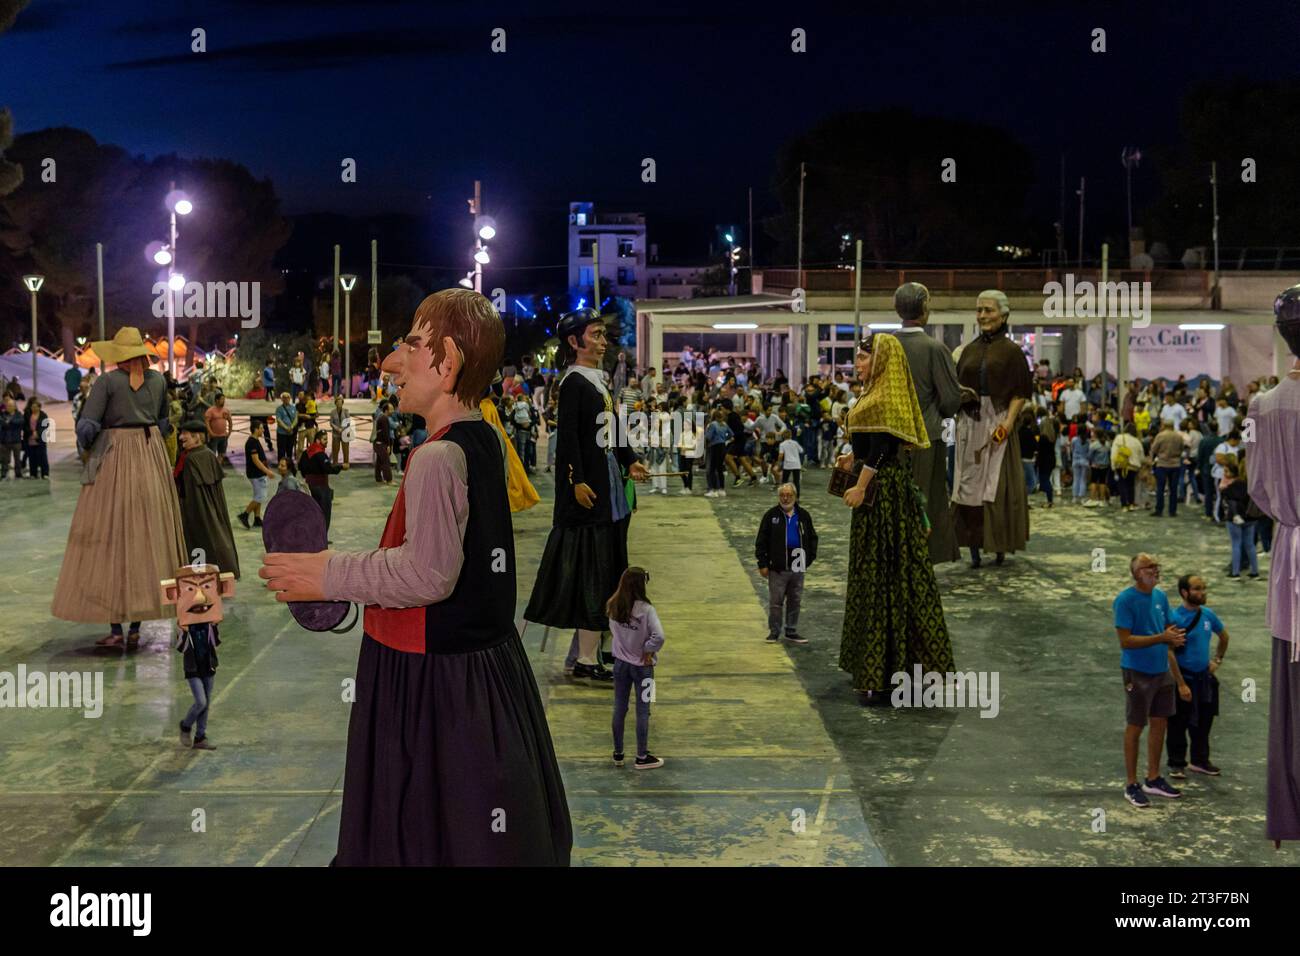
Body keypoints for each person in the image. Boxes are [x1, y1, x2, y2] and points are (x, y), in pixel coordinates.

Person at [260, 288, 572, 866]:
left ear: (447, 362)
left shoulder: (433, 458)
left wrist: (329, 574)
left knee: (416, 830)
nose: (389, 361)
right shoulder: (484, 436)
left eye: (410, 344)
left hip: (429, 682)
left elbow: (427, 574)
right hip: (487, 672)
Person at [523, 308, 649, 684]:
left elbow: (613, 427)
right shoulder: (575, 383)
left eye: (602, 334)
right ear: (574, 342)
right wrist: (575, 481)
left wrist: (632, 461)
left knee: (609, 569)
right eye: (595, 335)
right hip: (589, 495)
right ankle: (587, 659)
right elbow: (571, 442)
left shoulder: (597, 380)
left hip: (607, 489)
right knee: (593, 576)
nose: (602, 341)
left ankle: (600, 650)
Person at [52, 327, 187, 648]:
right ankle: (138, 626)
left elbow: (88, 424)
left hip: (115, 457)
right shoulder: (157, 381)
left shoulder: (108, 382)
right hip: (149, 454)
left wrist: (87, 443)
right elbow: (165, 421)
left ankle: (116, 629)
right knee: (147, 536)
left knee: (110, 536)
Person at [838, 333, 954, 705]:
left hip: (882, 496)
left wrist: (861, 483)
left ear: (882, 360)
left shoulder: (886, 396)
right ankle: (884, 668)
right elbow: (870, 445)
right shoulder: (874, 393)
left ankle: (883, 671)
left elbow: (884, 449)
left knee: (883, 576)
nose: (858, 365)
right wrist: (850, 462)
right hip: (879, 492)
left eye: (863, 359)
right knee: (886, 575)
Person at [1248, 286, 1300, 845]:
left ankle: (1289, 813)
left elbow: (1260, 490)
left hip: (1290, 554)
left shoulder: (1264, 404)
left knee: (1289, 695)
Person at [951, 291, 1032, 566]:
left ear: (1004, 314)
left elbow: (1020, 392)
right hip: (970, 422)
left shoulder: (1012, 352)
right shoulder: (969, 350)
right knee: (967, 487)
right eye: (979, 310)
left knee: (995, 487)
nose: (983, 315)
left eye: (989, 310)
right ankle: (972, 545)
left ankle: (998, 545)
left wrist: (1008, 423)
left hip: (998, 421)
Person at [892, 282, 963, 563]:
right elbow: (949, 399)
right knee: (928, 497)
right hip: (926, 435)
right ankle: (923, 555)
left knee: (894, 498)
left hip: (890, 436)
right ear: (924, 308)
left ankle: (895, 553)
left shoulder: (885, 346)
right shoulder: (935, 348)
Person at [1114, 553, 1186, 808]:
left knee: (1160, 723)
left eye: (1156, 566)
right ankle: (1131, 783)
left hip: (1161, 669)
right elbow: (1126, 641)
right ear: (1136, 573)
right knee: (1135, 725)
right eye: (1149, 567)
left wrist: (1175, 635)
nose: (1155, 570)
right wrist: (1162, 638)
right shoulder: (1125, 600)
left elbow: (1170, 626)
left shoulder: (1160, 596)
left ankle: (1153, 777)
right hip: (1137, 671)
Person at [162, 564, 234, 752]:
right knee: (200, 701)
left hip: (208, 666)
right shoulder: (184, 625)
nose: (199, 597)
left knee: (206, 703)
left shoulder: (208, 625)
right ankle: (185, 726)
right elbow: (180, 647)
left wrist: (215, 624)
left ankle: (200, 736)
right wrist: (183, 630)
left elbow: (215, 643)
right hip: (192, 669)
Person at [1166, 574, 1228, 779]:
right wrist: (1181, 684)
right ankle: (1176, 763)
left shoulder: (1208, 615)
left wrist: (1217, 660)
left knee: (1204, 721)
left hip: (1204, 679)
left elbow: (1224, 636)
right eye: (1197, 589)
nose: (1202, 592)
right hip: (1184, 677)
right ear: (1185, 592)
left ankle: (1200, 760)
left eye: (1203, 588)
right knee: (1178, 723)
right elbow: (1169, 652)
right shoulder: (1175, 619)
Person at [606, 567, 665, 771]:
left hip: (620, 665)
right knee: (644, 711)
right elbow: (659, 636)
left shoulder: (613, 605)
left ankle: (618, 753)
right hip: (644, 668)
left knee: (619, 708)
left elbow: (614, 633)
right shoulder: (647, 610)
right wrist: (647, 649)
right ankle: (641, 756)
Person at [174, 420, 240, 579]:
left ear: (197, 437)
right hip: (212, 508)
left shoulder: (191, 459)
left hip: (196, 510)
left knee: (199, 541)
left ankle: (202, 573)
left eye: (185, 435)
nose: (181, 437)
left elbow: (188, 490)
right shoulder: (208, 454)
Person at [756, 483, 818, 645]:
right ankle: (774, 631)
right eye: (782, 495)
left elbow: (812, 538)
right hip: (777, 566)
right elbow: (761, 541)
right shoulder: (771, 516)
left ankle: (791, 630)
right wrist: (762, 563)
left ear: (795, 497)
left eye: (789, 495)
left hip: (798, 564)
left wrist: (809, 558)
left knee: (795, 599)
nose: (785, 498)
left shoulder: (803, 515)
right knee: (776, 601)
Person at [298, 422, 342, 533]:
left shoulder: (306, 452)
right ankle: (322, 537)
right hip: (321, 487)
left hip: (309, 486)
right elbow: (328, 469)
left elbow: (300, 466)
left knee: (312, 512)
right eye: (324, 439)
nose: (326, 442)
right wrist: (340, 467)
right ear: (318, 440)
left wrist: (307, 476)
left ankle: (312, 535)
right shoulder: (320, 454)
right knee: (324, 513)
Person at [1218, 462, 1259, 578]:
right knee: (1250, 545)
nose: (1224, 473)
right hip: (1250, 518)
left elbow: (1229, 502)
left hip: (1234, 519)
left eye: (1226, 471)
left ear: (1233, 473)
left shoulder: (1229, 489)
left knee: (1236, 544)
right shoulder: (1248, 485)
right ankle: (1255, 571)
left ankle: (1235, 572)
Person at [239, 415, 276, 529]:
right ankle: (245, 515)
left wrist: (266, 470)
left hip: (259, 473)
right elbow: (256, 461)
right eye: (261, 428)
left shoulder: (255, 441)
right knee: (260, 496)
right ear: (255, 429)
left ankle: (257, 518)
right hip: (256, 474)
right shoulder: (251, 443)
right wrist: (267, 471)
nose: (263, 430)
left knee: (258, 495)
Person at [1149, 420, 1184, 518]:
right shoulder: (1178, 436)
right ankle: (1172, 511)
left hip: (1162, 464)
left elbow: (1154, 449)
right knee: (1173, 489)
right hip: (1175, 464)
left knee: (1160, 488)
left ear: (1164, 426)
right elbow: (1182, 448)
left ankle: (1159, 509)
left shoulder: (1160, 436)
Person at [1110, 422, 1145, 513]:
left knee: (1122, 484)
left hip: (1121, 465)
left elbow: (1114, 452)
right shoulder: (1137, 441)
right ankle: (1131, 503)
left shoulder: (1119, 438)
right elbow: (1141, 456)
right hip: (1134, 466)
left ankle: (1124, 504)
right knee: (1131, 485)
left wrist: (1113, 466)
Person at [703, 408, 732, 498]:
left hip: (714, 447)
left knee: (712, 469)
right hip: (723, 446)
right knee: (720, 468)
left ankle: (713, 490)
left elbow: (708, 437)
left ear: (714, 417)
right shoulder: (724, 424)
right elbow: (730, 434)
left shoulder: (713, 425)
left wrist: (706, 444)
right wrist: (724, 438)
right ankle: (721, 489)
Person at [21, 399, 49, 479]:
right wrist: (31, 432)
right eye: (32, 407)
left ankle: (45, 473)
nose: (34, 408)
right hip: (29, 438)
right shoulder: (27, 415)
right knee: (32, 457)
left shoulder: (43, 415)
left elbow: (45, 425)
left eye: (35, 407)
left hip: (40, 439)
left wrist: (38, 433)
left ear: (39, 407)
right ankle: (33, 473)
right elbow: (24, 425)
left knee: (43, 457)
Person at [204, 393, 233, 466]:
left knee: (222, 454)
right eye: (222, 399)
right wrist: (210, 433)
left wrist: (229, 432)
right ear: (217, 400)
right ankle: (213, 469)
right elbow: (207, 422)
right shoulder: (210, 411)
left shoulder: (226, 410)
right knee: (212, 454)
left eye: (224, 399)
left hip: (223, 436)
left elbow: (230, 421)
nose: (223, 401)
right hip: (214, 436)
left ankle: (218, 469)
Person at [274, 392, 297, 471]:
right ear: (282, 399)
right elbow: (279, 420)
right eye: (284, 397)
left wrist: (292, 426)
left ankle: (289, 466)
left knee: (289, 450)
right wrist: (286, 427)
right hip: (281, 433)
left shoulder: (293, 408)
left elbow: (296, 419)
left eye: (287, 397)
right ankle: (281, 466)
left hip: (290, 433)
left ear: (290, 398)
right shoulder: (279, 409)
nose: (286, 399)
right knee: (281, 450)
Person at [0, 395, 21, 480]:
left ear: (14, 406)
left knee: (17, 459)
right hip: (5, 441)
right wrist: (9, 424)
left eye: (11, 406)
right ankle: (4, 474)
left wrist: (10, 422)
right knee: (4, 460)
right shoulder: (2, 415)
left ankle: (18, 474)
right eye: (8, 406)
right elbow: (2, 423)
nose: (9, 407)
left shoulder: (18, 414)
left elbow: (20, 422)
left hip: (16, 440)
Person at [372, 400, 394, 485]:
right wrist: (388, 445)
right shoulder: (384, 419)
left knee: (379, 461)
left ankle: (378, 478)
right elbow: (385, 433)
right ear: (386, 410)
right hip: (381, 444)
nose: (393, 411)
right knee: (386, 462)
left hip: (378, 443)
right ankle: (389, 480)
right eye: (391, 409)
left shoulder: (381, 418)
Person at [329, 394, 352, 469]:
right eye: (338, 402)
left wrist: (342, 429)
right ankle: (335, 464)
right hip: (336, 434)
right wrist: (337, 428)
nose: (339, 403)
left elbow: (348, 422)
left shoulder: (346, 411)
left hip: (345, 433)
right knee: (335, 450)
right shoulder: (332, 412)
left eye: (340, 402)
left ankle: (346, 464)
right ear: (335, 403)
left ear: (342, 403)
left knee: (346, 450)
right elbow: (331, 423)